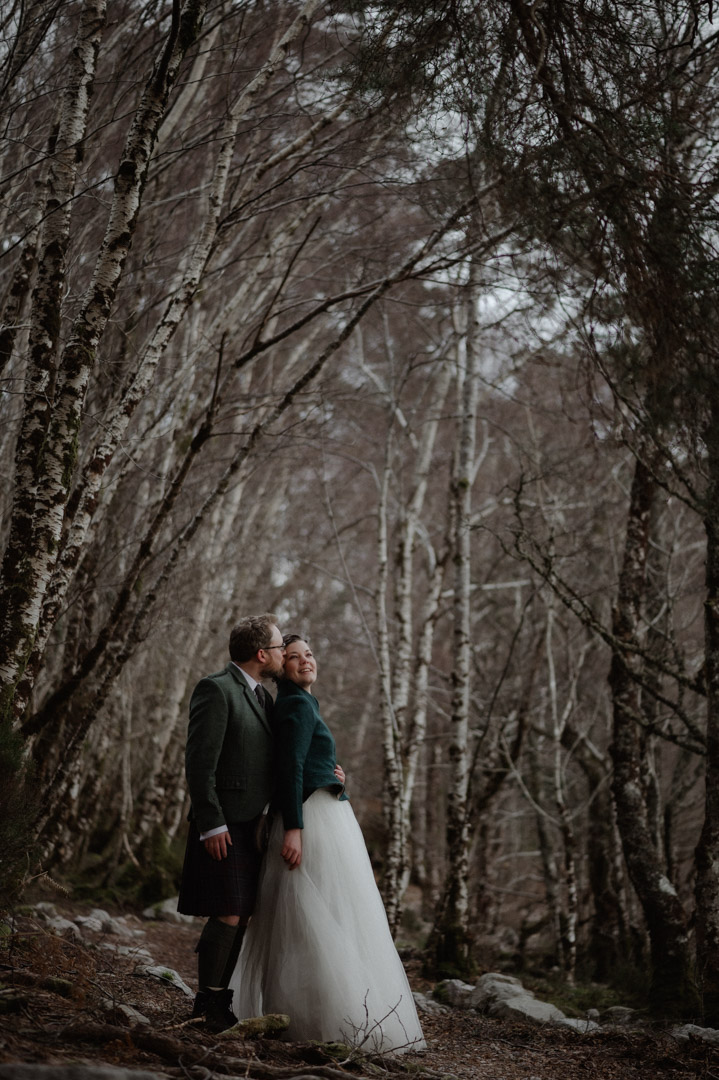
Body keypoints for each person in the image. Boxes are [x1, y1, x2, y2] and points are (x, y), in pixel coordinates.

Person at [231, 634, 426, 1054]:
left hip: (322, 808)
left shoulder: (301, 703)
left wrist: (335, 777)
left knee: (328, 914)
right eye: (295, 657)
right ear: (281, 666)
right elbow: (289, 768)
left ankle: (320, 1014)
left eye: (310, 655)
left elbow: (307, 762)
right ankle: (322, 1019)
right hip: (310, 819)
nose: (305, 662)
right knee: (317, 916)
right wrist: (295, 829)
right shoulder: (297, 704)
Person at [177, 613, 285, 1032]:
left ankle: (217, 1000)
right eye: (278, 647)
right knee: (227, 912)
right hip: (224, 823)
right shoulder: (217, 689)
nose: (280, 654)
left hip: (253, 824)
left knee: (240, 913)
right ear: (262, 654)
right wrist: (211, 822)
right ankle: (207, 1003)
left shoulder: (263, 697)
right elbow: (199, 761)